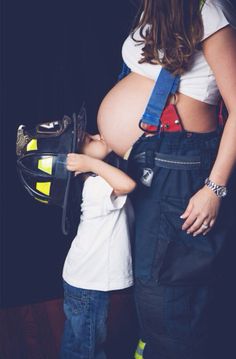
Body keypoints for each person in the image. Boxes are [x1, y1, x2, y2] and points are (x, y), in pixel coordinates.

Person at [96, 0, 236, 358]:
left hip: (181, 167)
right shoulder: (153, 7)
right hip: (150, 163)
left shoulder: (207, 11)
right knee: (150, 289)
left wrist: (215, 188)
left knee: (167, 294)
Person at [60, 130, 136, 359]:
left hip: (82, 278)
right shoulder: (95, 184)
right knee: (88, 348)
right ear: (77, 159)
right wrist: (91, 163)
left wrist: (90, 161)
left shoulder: (95, 180)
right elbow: (127, 185)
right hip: (88, 282)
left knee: (76, 341)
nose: (98, 135)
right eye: (89, 139)